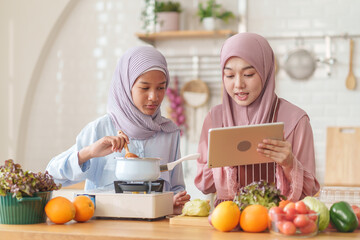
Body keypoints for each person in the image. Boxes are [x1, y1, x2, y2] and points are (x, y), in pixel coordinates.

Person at [46, 46, 190, 214]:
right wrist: (89, 152)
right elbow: (51, 177)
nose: (154, 97)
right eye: (144, 88)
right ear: (125, 86)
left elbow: (176, 187)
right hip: (105, 229)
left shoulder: (169, 133)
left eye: (161, 87)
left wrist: (173, 201)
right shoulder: (100, 129)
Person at [194, 33, 320, 207]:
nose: (238, 84)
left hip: (278, 222)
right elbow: (204, 185)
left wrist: (289, 163)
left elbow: (309, 189)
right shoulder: (215, 118)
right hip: (228, 221)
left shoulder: (296, 120)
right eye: (229, 76)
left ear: (266, 71)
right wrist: (219, 163)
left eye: (248, 74)